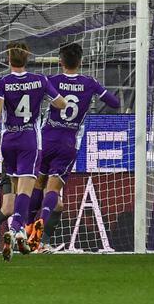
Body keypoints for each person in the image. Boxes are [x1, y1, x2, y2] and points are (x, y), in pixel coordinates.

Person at [25, 42, 120, 249]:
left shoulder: (51, 80)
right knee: (53, 189)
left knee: (38, 184)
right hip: (68, 143)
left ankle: (28, 228)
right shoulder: (90, 82)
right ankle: (41, 227)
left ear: (60, 61)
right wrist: (98, 92)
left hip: (46, 139)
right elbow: (114, 103)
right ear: (81, 61)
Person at [0, 41, 66, 260]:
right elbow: (61, 103)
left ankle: (20, 231)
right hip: (29, 139)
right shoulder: (40, 80)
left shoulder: (1, 82)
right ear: (28, 57)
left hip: (8, 138)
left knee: (15, 186)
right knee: (26, 188)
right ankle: (15, 229)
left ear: (8, 58)